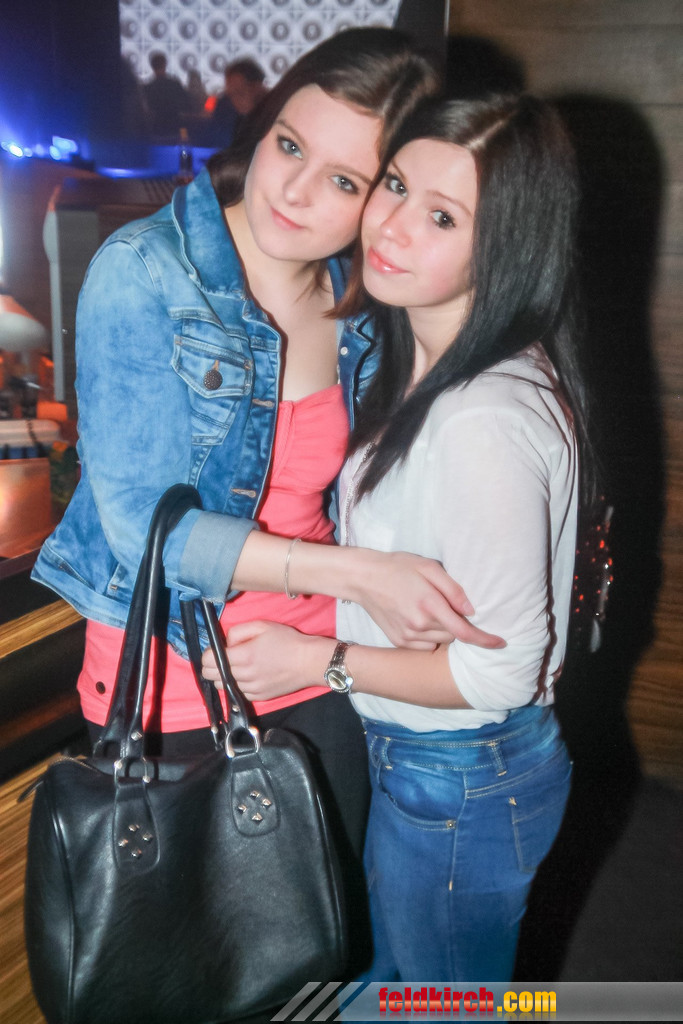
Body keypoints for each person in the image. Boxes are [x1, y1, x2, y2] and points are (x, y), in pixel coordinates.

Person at [32, 27, 499, 976]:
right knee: (190, 971)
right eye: (290, 144)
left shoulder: (359, 296)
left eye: (345, 180)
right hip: (176, 675)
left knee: (316, 949)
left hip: (326, 672)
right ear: (265, 123)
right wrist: (360, 573)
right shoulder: (145, 269)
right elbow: (145, 528)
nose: (293, 191)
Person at [202, 92, 598, 982]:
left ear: (505, 246)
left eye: (442, 216)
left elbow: (498, 674)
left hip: (461, 772)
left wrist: (317, 660)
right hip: (441, 766)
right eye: (394, 186)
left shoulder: (480, 416)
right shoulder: (419, 365)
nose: (392, 226)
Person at [209, 58, 269, 147]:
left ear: (257, 87)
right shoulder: (238, 122)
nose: (235, 100)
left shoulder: (276, 118)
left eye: (239, 92)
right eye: (231, 95)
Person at [143, 50, 190, 140]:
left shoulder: (148, 88)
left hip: (156, 130)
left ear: (152, 66)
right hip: (174, 129)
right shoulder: (175, 84)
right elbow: (187, 105)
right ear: (165, 64)